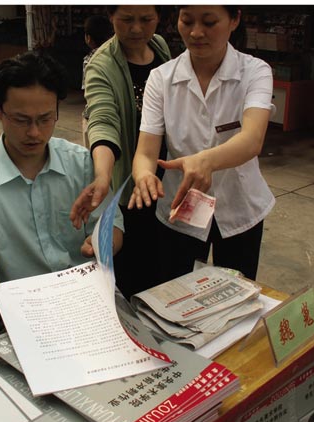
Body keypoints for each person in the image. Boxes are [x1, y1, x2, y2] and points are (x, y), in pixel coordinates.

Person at [0, 51, 124, 301]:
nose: (34, 132)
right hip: (19, 305)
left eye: (45, 119)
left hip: (84, 296)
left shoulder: (82, 165)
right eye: (21, 120)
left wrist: (103, 243)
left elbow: (113, 225)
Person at [128, 5, 275, 282]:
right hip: (180, 207)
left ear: (234, 20)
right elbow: (146, 151)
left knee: (237, 292)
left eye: (209, 22)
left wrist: (204, 161)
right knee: (174, 291)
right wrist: (144, 175)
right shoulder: (161, 78)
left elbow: (252, 139)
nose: (196, 33)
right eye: (187, 21)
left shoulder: (255, 72)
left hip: (240, 204)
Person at [70, 5, 171, 300]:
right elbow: (103, 121)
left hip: (166, 181)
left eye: (146, 19)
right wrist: (103, 176)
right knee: (135, 281)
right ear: (111, 17)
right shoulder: (101, 65)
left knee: (166, 275)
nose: (137, 28)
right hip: (131, 188)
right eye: (126, 19)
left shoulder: (160, 46)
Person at [81, 14, 112, 148]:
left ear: (88, 38)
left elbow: (87, 91)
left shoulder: (89, 60)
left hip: (94, 115)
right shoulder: (116, 57)